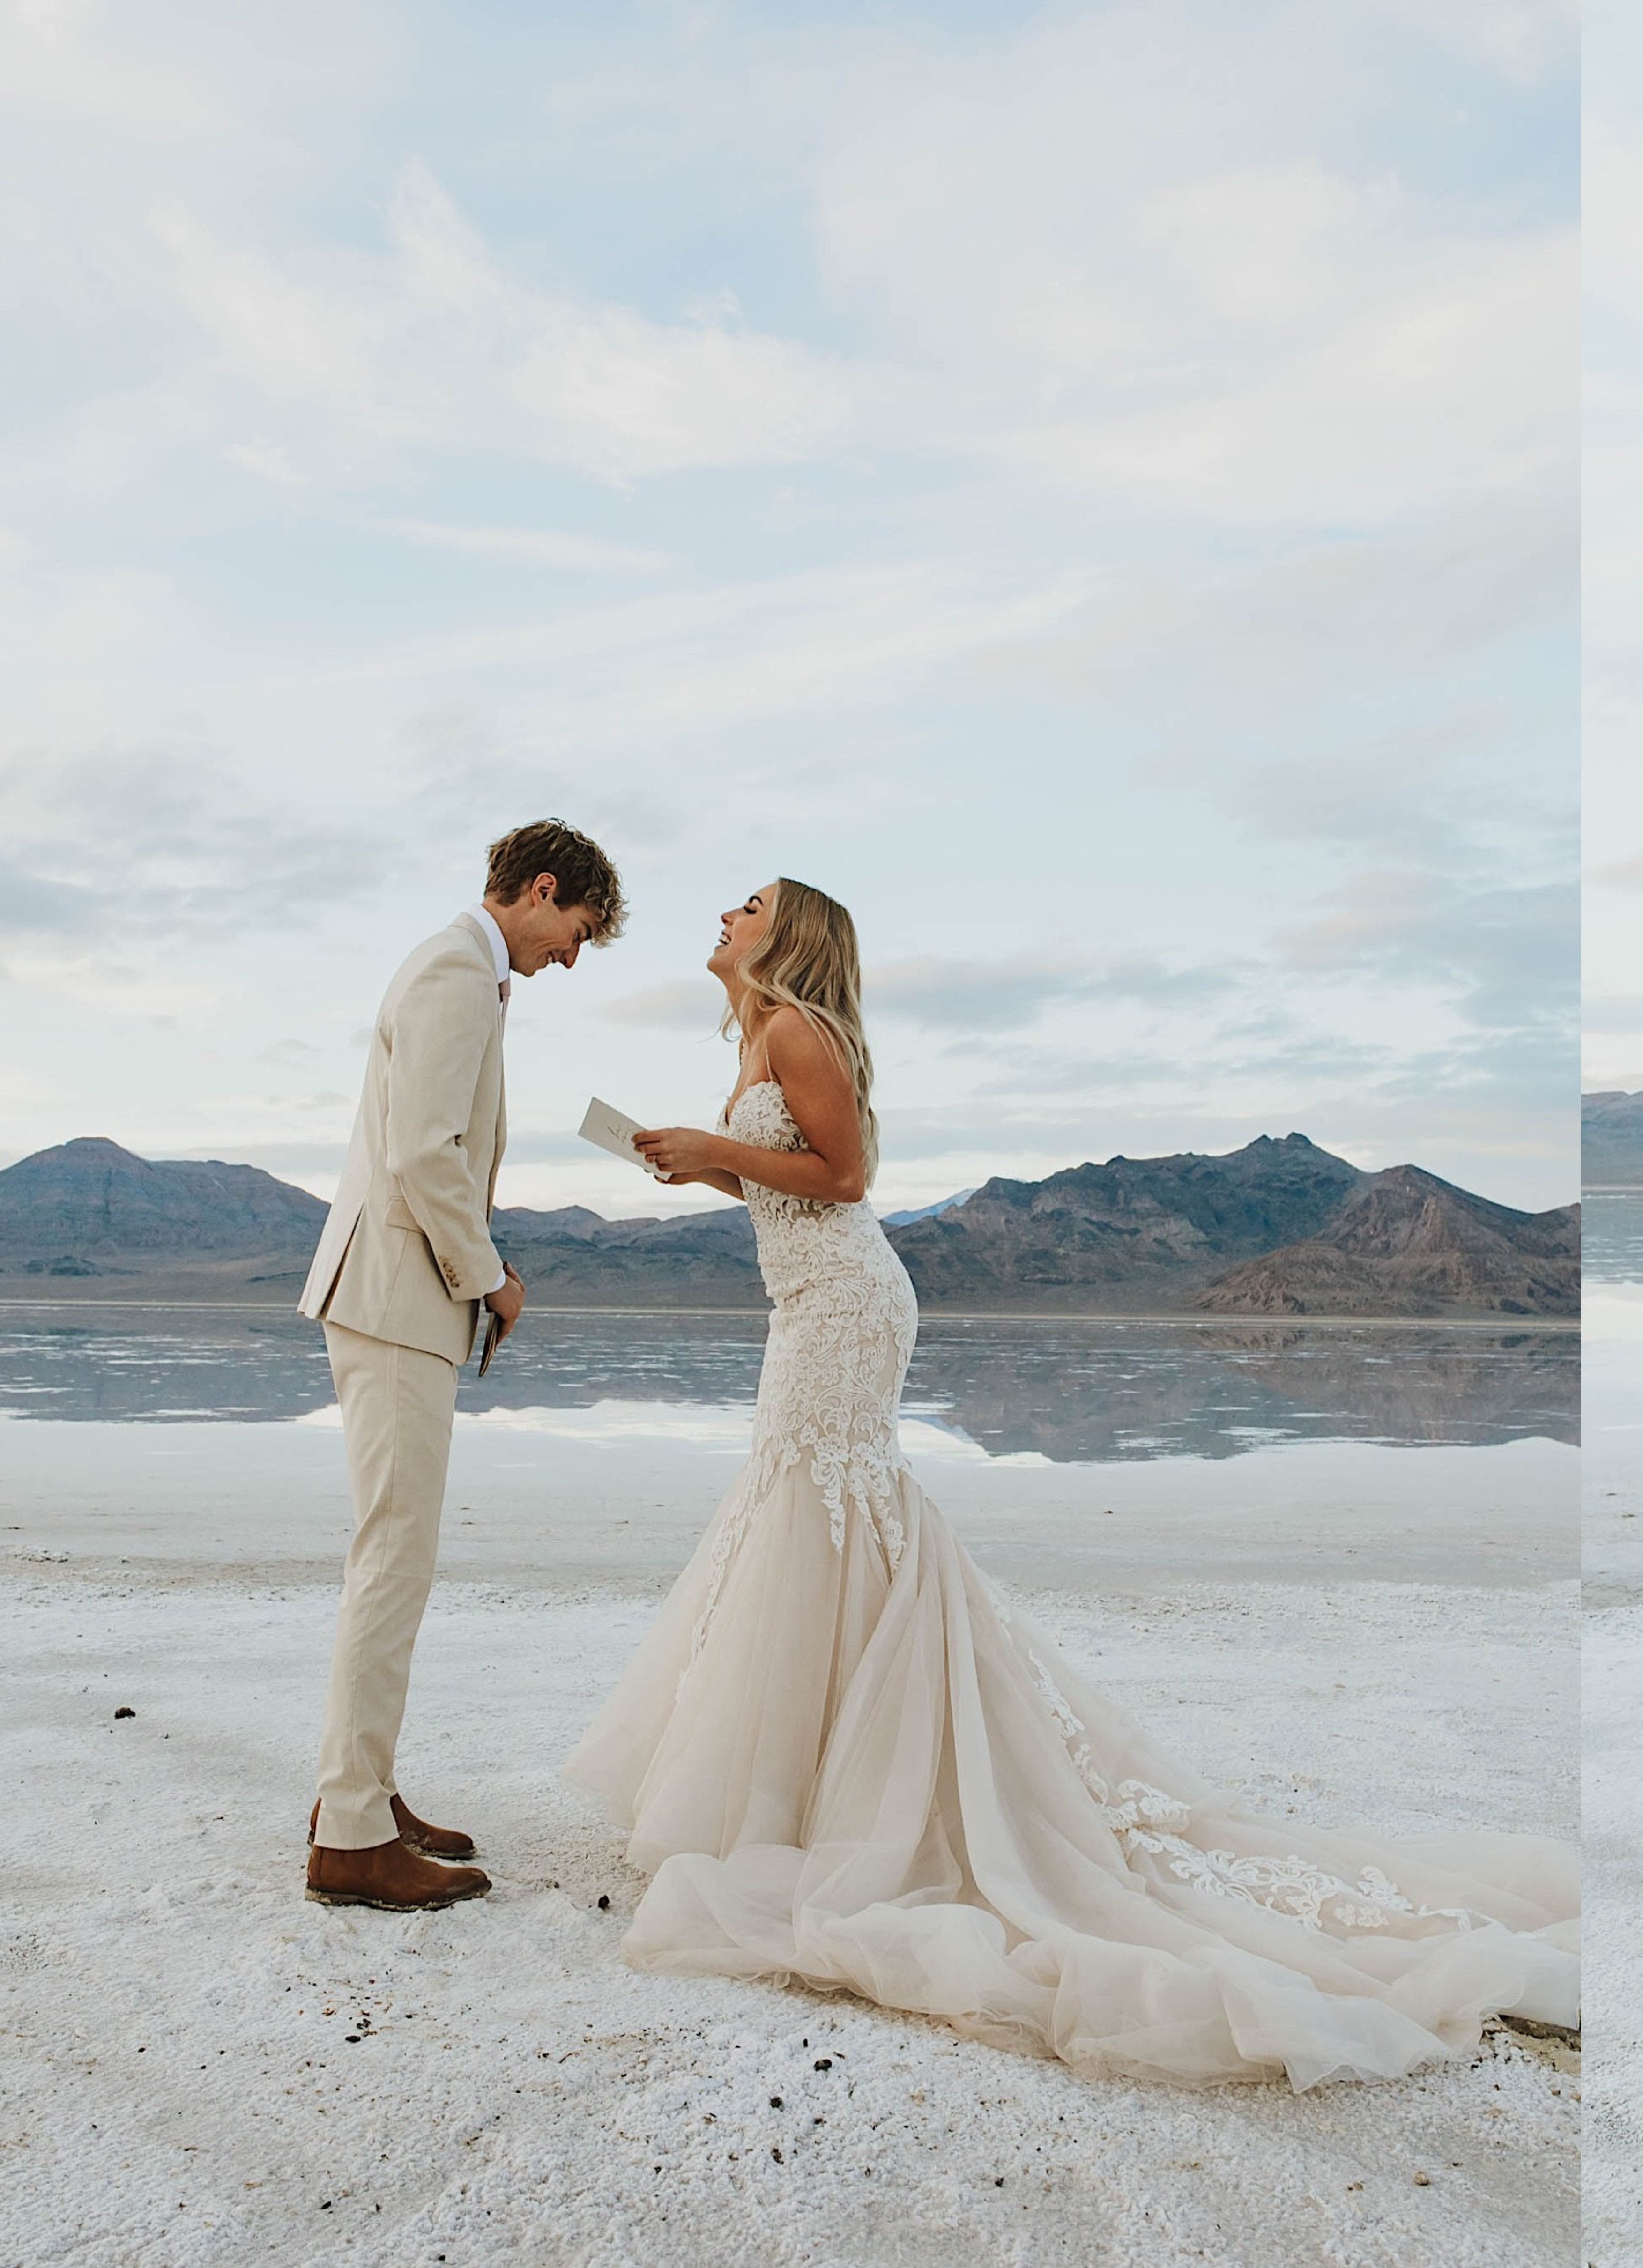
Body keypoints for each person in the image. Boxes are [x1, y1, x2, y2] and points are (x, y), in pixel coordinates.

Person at [564, 879, 1578, 2087]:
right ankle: (817, 1779)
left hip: (843, 1302)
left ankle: (840, 1797)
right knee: (815, 1514)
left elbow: (846, 1175)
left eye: (748, 904)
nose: (722, 914)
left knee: (818, 1504)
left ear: (792, 937)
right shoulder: (757, 1036)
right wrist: (702, 1165)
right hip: (809, 1298)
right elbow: (783, 1180)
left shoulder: (798, 1031)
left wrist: (721, 1146)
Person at [299, 819, 624, 1911]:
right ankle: (349, 1834)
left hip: (399, 1295)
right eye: (577, 933)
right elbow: (421, 1155)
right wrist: (491, 1278)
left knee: (394, 1552)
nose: (572, 957)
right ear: (540, 891)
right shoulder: (451, 966)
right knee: (395, 1557)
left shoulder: (466, 974)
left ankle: (365, 1793)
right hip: (396, 1298)